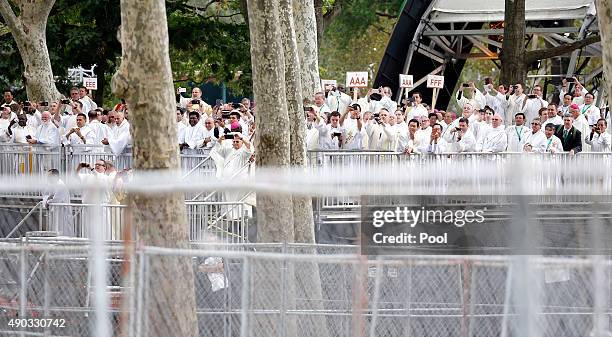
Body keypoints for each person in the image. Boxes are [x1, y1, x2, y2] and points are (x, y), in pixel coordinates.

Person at [211, 133, 254, 218]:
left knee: (238, 201)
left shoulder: (244, 153)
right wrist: (221, 139)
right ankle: (231, 220)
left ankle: (241, 220)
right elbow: (219, 149)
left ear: (241, 143)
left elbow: (249, 147)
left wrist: (242, 138)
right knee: (228, 201)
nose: (235, 143)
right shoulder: (229, 151)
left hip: (239, 181)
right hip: (227, 180)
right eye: (233, 142)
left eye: (237, 142)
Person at [43, 169, 74, 236]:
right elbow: (49, 195)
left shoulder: (61, 185)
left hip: (62, 213)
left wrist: (48, 202)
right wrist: (48, 199)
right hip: (57, 212)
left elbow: (56, 199)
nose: (48, 179)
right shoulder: (54, 185)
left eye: (49, 177)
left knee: (62, 231)